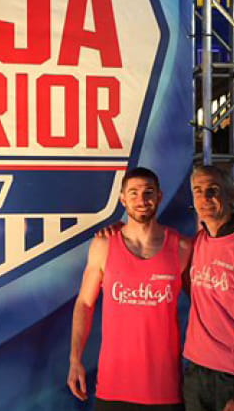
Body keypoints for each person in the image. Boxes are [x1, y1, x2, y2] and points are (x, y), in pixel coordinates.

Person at [67, 167, 192, 411]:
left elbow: (205, 305)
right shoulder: (104, 244)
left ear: (159, 196)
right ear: (123, 199)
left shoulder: (182, 247)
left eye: (148, 193)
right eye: (133, 193)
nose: (141, 200)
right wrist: (75, 359)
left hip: (165, 389)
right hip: (114, 386)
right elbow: (85, 303)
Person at [183, 164, 234, 411]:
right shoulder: (199, 242)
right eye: (198, 190)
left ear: (230, 195)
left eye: (213, 190)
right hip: (196, 369)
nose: (205, 198)